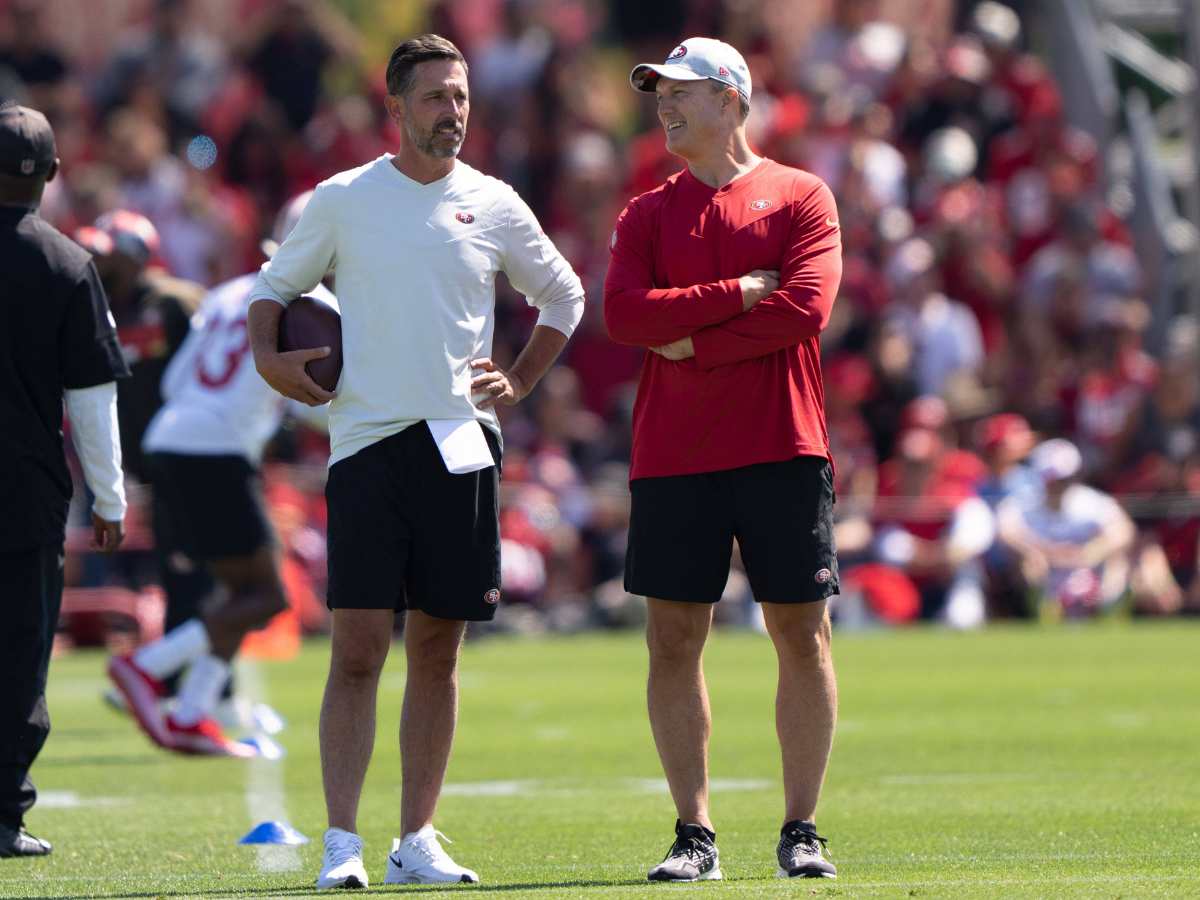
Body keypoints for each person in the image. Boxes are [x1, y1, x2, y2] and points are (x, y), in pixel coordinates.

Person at [246, 35, 584, 889]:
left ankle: (417, 839)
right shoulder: (343, 200)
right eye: (436, 96)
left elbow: (565, 294)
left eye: (461, 95)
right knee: (358, 649)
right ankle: (341, 845)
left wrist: (522, 377)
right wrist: (270, 360)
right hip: (365, 445)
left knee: (439, 651)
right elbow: (271, 291)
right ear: (395, 108)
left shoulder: (496, 202)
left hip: (462, 445)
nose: (454, 111)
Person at [605, 37, 842, 881]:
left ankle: (802, 829)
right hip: (674, 455)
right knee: (672, 640)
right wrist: (737, 293)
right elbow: (626, 318)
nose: (665, 105)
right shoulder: (645, 213)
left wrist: (693, 343)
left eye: (683, 91)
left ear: (733, 99)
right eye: (659, 92)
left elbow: (804, 310)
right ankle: (693, 834)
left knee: (801, 635)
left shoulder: (800, 195)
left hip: (782, 442)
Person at [105, 191, 333, 757]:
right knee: (267, 596)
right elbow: (316, 403)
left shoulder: (234, 291)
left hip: (174, 436)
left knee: (239, 590)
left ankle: (190, 711)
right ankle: (145, 667)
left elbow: (180, 377)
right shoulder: (316, 307)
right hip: (215, 449)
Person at [0, 102, 129, 857]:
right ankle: (4, 815)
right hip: (25, 495)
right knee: (18, 655)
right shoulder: (67, 264)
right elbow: (92, 399)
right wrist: (109, 501)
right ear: (52, 175)